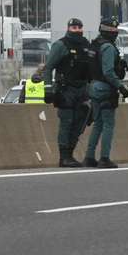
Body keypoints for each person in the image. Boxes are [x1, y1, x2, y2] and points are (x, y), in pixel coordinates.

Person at [40, 17, 90, 167]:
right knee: (66, 123)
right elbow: (48, 68)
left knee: (79, 122)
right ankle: (64, 157)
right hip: (66, 90)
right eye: (74, 28)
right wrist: (47, 89)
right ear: (68, 29)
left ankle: (71, 154)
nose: (77, 30)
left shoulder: (85, 45)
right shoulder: (61, 45)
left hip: (81, 89)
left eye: (79, 28)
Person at [82, 17, 127, 169]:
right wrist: (120, 86)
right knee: (108, 123)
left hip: (94, 86)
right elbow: (108, 71)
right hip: (105, 88)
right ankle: (104, 158)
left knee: (98, 123)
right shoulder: (108, 47)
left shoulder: (95, 44)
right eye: (114, 31)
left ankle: (89, 156)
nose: (115, 33)